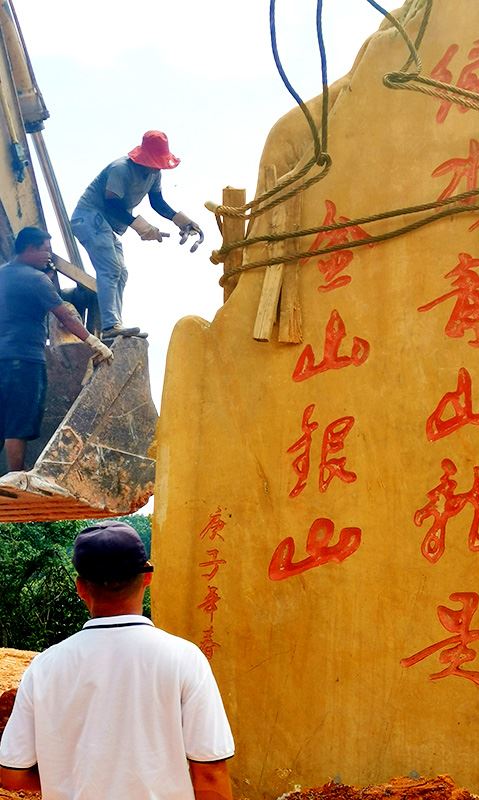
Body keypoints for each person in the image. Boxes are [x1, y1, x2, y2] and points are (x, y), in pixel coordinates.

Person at [0, 520, 235, 799]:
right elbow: (210, 774)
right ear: (147, 577)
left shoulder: (45, 668)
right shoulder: (184, 659)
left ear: (80, 587)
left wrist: (69, 777)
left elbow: (11, 775)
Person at [0, 227, 113, 474]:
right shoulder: (36, 280)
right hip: (24, 360)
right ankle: (16, 482)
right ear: (30, 249)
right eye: (46, 250)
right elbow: (66, 318)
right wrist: (94, 342)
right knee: (17, 424)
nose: (48, 256)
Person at [70, 130, 203, 339]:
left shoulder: (153, 174)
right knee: (111, 269)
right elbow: (111, 204)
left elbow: (157, 202)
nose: (157, 167)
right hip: (89, 218)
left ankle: (114, 324)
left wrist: (181, 220)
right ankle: (110, 326)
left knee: (121, 272)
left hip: (104, 224)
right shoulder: (120, 169)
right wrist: (141, 226)